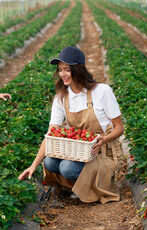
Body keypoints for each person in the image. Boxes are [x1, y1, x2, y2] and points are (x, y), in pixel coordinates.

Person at [18, 46, 125, 204]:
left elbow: (119, 128)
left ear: (78, 69)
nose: (62, 74)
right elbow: (51, 134)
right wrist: (33, 165)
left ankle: (92, 187)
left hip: (101, 151)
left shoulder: (102, 91)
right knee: (49, 162)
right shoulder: (61, 98)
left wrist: (104, 139)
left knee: (67, 168)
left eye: (67, 69)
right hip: (78, 151)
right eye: (60, 70)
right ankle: (76, 187)